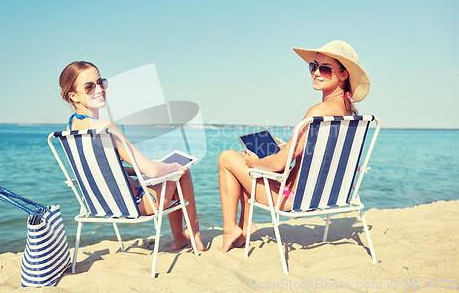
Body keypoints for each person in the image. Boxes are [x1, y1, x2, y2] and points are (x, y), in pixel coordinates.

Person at [217, 40, 371, 252]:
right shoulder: (347, 113)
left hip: (293, 199)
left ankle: (230, 230)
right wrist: (288, 146)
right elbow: (312, 155)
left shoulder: (318, 112)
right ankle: (244, 226)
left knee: (228, 158)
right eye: (313, 66)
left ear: (344, 75)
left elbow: (280, 164)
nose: (316, 72)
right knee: (251, 160)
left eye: (325, 68)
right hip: (328, 196)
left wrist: (257, 162)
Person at [59, 61, 206, 252]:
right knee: (182, 173)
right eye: (89, 86)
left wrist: (144, 170)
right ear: (73, 96)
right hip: (133, 205)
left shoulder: (71, 129)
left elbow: (102, 169)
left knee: (164, 173)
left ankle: (180, 239)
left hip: (103, 206)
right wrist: (172, 166)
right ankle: (193, 233)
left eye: (101, 82)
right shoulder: (106, 127)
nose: (99, 89)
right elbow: (151, 170)